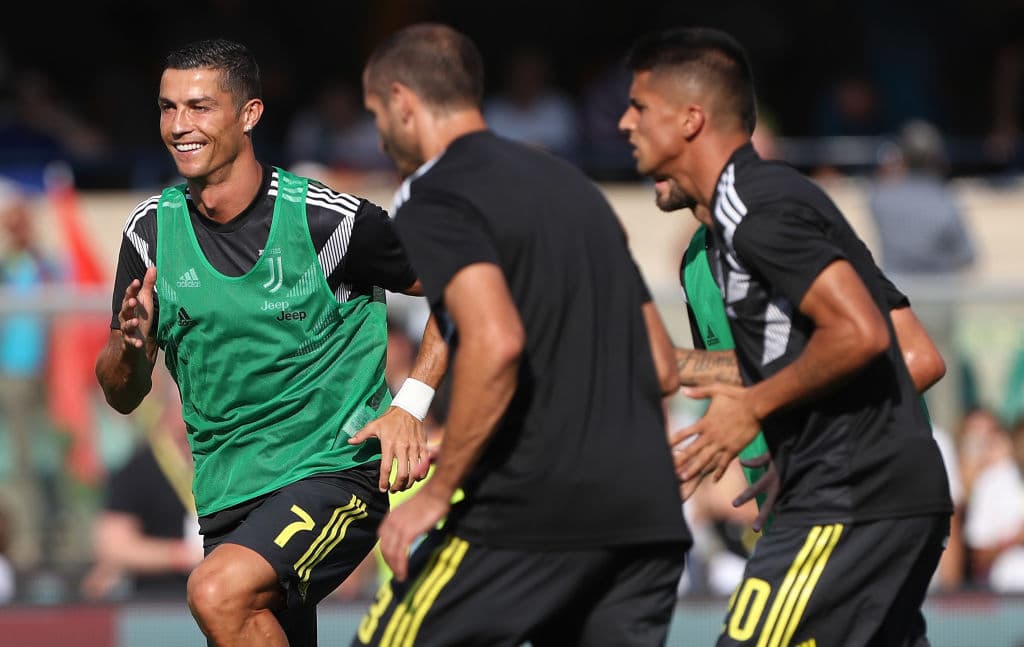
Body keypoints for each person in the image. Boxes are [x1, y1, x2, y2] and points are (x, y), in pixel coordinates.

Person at [93, 38, 447, 647]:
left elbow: (457, 286)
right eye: (168, 108)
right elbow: (121, 395)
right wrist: (129, 348)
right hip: (226, 497)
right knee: (240, 613)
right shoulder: (149, 232)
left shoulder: (327, 221)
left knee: (217, 592)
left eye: (200, 107)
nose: (179, 126)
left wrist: (410, 405)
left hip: (333, 473)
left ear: (249, 114)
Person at [355, 23, 690, 646]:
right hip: (646, 516)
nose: (379, 135)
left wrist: (439, 492)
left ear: (402, 101)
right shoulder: (571, 185)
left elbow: (495, 341)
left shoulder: (435, 194)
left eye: (376, 115)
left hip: (532, 512)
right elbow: (660, 364)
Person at [619, 26, 952, 646]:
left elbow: (904, 351)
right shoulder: (703, 256)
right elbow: (764, 369)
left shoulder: (761, 207)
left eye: (639, 108)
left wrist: (775, 416)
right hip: (834, 493)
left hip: (851, 493)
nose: (623, 124)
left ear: (691, 120)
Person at [80, 366, 203, 601]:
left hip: (225, 593)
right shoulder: (138, 470)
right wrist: (180, 555)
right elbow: (112, 545)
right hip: (160, 602)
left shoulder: (224, 463)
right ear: (170, 410)